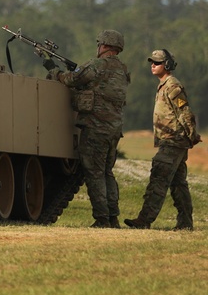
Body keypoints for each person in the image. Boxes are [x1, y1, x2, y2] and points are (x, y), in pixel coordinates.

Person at [47, 29, 129, 228]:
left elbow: (73, 79)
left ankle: (102, 218)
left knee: (94, 172)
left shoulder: (97, 65)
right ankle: (112, 217)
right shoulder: (122, 69)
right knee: (107, 172)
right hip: (114, 128)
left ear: (104, 46)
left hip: (96, 126)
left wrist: (54, 70)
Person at [125, 50, 201, 230]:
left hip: (173, 141)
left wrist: (192, 134)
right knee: (178, 184)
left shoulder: (172, 86)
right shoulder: (164, 85)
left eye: (157, 62)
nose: (153, 65)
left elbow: (185, 112)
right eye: (152, 62)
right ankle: (185, 224)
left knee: (158, 178)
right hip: (172, 141)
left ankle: (144, 221)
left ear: (167, 65)